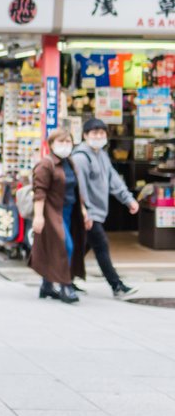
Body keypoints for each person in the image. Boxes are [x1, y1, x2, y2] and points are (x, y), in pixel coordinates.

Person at [72, 118, 139, 297]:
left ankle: (64, 279)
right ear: (85, 135)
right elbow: (80, 187)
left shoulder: (101, 154)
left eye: (102, 133)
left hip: (96, 212)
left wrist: (128, 200)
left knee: (80, 247)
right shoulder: (80, 157)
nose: (99, 137)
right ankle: (116, 285)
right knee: (101, 245)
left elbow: (113, 179)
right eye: (95, 133)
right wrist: (84, 210)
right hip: (88, 212)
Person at [31, 128, 89, 304]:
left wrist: (83, 209)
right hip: (52, 212)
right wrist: (38, 216)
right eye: (61, 142)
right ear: (51, 145)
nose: (65, 146)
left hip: (70, 211)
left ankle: (47, 285)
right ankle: (65, 285)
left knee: (61, 246)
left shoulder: (70, 163)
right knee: (65, 246)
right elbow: (39, 192)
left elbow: (75, 189)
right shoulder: (46, 164)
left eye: (68, 142)